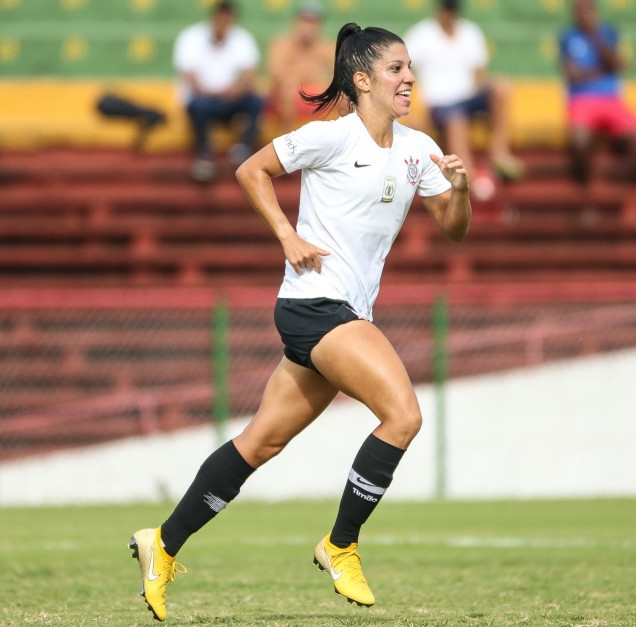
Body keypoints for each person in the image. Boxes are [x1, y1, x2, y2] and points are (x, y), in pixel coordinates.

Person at [129, 22, 471, 621]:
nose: (410, 76)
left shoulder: (418, 149)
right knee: (403, 415)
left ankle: (161, 542)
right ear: (362, 80)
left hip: (339, 314)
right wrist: (288, 235)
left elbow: (453, 226)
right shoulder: (330, 138)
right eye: (397, 69)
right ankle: (340, 545)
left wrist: (461, 191)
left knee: (261, 441)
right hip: (315, 307)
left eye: (411, 67)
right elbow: (250, 170)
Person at [404, 0, 525, 199]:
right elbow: (404, 67)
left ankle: (499, 152)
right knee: (456, 119)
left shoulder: (470, 32)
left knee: (501, 88)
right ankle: (468, 175)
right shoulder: (422, 35)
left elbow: (479, 74)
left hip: (467, 97)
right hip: (440, 102)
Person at [559, 0, 636, 185]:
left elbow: (620, 64)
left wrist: (595, 37)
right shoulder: (568, 37)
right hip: (581, 100)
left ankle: (611, 181)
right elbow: (573, 75)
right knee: (579, 140)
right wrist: (603, 70)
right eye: (579, 10)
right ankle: (588, 191)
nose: (583, 15)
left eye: (587, 10)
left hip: (611, 100)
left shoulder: (607, 33)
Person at [173, 0, 263, 183]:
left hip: (230, 98)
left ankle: (243, 148)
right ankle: (204, 152)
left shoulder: (242, 39)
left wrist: (234, 90)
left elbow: (249, 76)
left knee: (256, 101)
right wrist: (222, 92)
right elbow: (191, 79)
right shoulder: (191, 37)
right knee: (196, 105)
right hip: (204, 100)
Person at [266, 0, 337, 128]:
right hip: (290, 93)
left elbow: (338, 72)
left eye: (313, 22)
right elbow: (277, 74)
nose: (308, 27)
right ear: (296, 22)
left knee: (346, 94)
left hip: (317, 91)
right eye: (305, 21)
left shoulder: (325, 46)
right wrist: (310, 73)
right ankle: (288, 142)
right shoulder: (282, 44)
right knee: (288, 90)